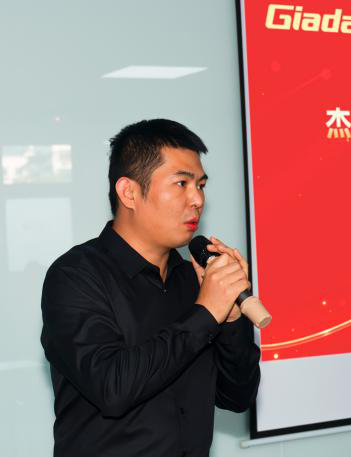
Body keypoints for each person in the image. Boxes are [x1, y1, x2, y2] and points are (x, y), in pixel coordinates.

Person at [40, 119, 261, 457]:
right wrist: (205, 314)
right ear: (129, 192)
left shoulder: (194, 280)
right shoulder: (74, 276)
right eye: (181, 183)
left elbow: (237, 396)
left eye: (201, 185)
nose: (197, 199)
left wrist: (230, 319)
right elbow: (112, 388)